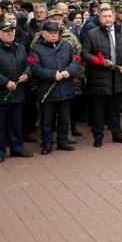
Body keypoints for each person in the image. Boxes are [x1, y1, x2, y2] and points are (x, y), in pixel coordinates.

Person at [80, 5, 122, 146]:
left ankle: (117, 134)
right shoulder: (92, 33)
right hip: (99, 78)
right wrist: (100, 62)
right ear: (99, 18)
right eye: (104, 16)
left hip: (118, 77)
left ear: (114, 17)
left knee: (116, 110)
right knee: (99, 110)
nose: (107, 19)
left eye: (110, 16)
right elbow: (85, 53)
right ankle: (98, 137)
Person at [0, 21, 34, 161]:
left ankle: (17, 148)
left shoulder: (20, 48)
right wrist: (5, 82)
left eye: (12, 30)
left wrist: (27, 74)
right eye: (6, 31)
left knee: (16, 124)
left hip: (17, 93)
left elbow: (28, 64)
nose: (10, 33)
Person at [28, 21, 83, 155]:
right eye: (50, 33)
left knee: (64, 119)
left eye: (56, 33)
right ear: (43, 34)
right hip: (47, 90)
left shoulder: (67, 45)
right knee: (47, 120)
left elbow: (76, 60)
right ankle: (47, 144)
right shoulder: (35, 48)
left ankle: (62, 141)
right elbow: (34, 68)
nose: (54, 36)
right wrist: (53, 75)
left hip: (65, 89)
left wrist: (69, 71)